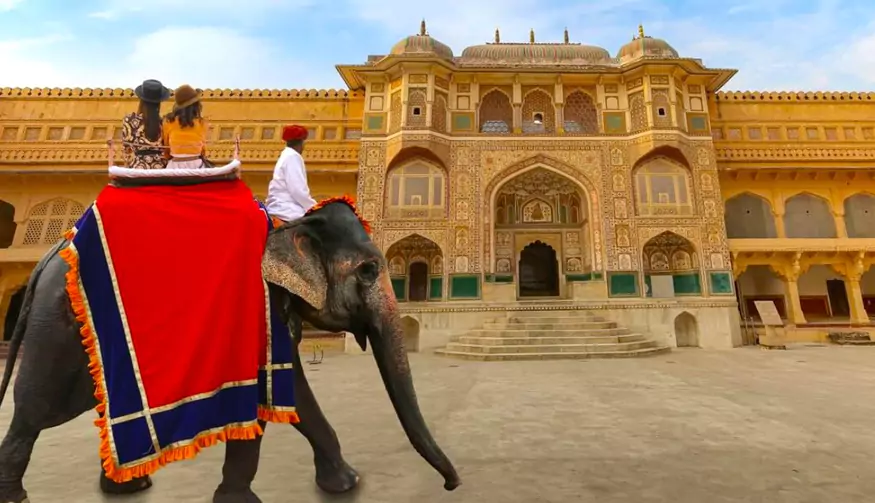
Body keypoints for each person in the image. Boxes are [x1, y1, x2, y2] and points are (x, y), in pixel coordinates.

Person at [265, 125, 317, 224]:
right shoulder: (293, 156)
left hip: (280, 207)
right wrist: (315, 207)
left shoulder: (285, 155)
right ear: (301, 143)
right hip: (288, 210)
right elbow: (298, 190)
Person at [122, 79, 170, 170]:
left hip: (138, 168)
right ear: (159, 102)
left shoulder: (129, 120)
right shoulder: (164, 122)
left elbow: (126, 149)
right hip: (160, 169)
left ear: (141, 100)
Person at [162, 84, 209, 169]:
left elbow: (166, 148)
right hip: (197, 165)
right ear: (196, 105)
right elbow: (203, 150)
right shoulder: (202, 123)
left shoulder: (168, 121)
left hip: (174, 166)